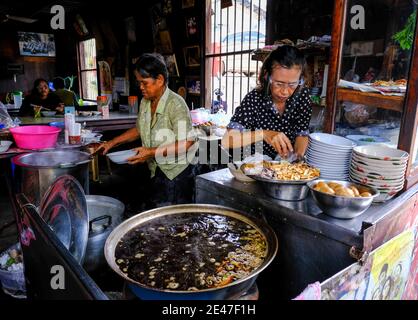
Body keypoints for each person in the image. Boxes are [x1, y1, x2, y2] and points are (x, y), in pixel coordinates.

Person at [96, 53, 197, 209]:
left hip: (176, 173)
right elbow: (140, 128)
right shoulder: (145, 101)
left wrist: (150, 152)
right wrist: (112, 142)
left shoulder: (176, 104)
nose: (141, 87)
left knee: (175, 221)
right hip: (156, 169)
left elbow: (187, 143)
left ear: (160, 80)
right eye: (139, 83)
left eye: (144, 83)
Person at [221, 45, 312, 161]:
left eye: (292, 84)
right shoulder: (254, 99)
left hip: (284, 167)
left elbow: (302, 134)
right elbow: (227, 140)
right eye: (279, 83)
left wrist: (296, 159)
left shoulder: (302, 96)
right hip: (254, 165)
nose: (285, 91)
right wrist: (263, 134)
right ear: (266, 76)